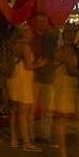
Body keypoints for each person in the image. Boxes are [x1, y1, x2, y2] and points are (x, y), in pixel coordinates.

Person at [7, 25, 45, 151]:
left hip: (14, 78)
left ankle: (13, 138)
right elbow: (29, 66)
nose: (31, 34)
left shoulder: (15, 45)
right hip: (23, 80)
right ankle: (26, 142)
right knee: (24, 112)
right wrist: (39, 64)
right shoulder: (25, 47)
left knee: (14, 110)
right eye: (29, 31)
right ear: (24, 34)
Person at [52, 26, 79, 157]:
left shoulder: (68, 49)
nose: (71, 35)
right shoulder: (64, 50)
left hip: (67, 87)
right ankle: (62, 156)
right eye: (68, 33)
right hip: (63, 87)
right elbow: (71, 69)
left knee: (64, 121)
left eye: (73, 32)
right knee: (62, 121)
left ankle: (63, 154)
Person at [31, 13, 57, 143]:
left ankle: (45, 134)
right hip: (34, 76)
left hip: (48, 77)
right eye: (39, 21)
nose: (42, 24)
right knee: (31, 108)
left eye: (44, 21)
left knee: (47, 109)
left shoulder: (51, 37)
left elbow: (56, 55)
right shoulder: (31, 37)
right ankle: (30, 134)